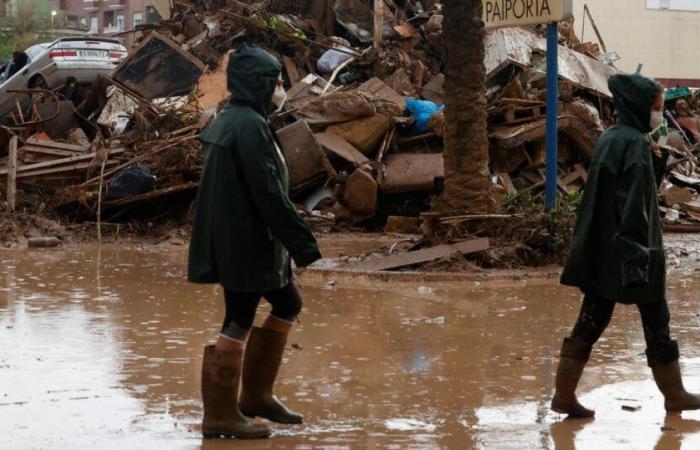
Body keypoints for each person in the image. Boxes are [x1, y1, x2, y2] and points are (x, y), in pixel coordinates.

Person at [188, 43, 322, 439]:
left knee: (285, 302)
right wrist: (303, 244)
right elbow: (268, 193)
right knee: (240, 317)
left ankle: (256, 396)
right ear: (259, 84)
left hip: (245, 237)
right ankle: (221, 414)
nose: (281, 88)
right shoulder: (247, 125)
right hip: (246, 240)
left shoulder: (237, 117)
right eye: (276, 82)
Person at [551, 73, 700, 418]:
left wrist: (656, 157)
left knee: (592, 317)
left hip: (604, 248)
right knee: (655, 318)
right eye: (657, 108)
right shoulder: (633, 144)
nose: (660, 114)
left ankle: (564, 394)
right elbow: (633, 203)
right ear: (639, 107)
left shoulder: (613, 138)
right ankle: (674, 393)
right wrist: (637, 255)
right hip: (632, 249)